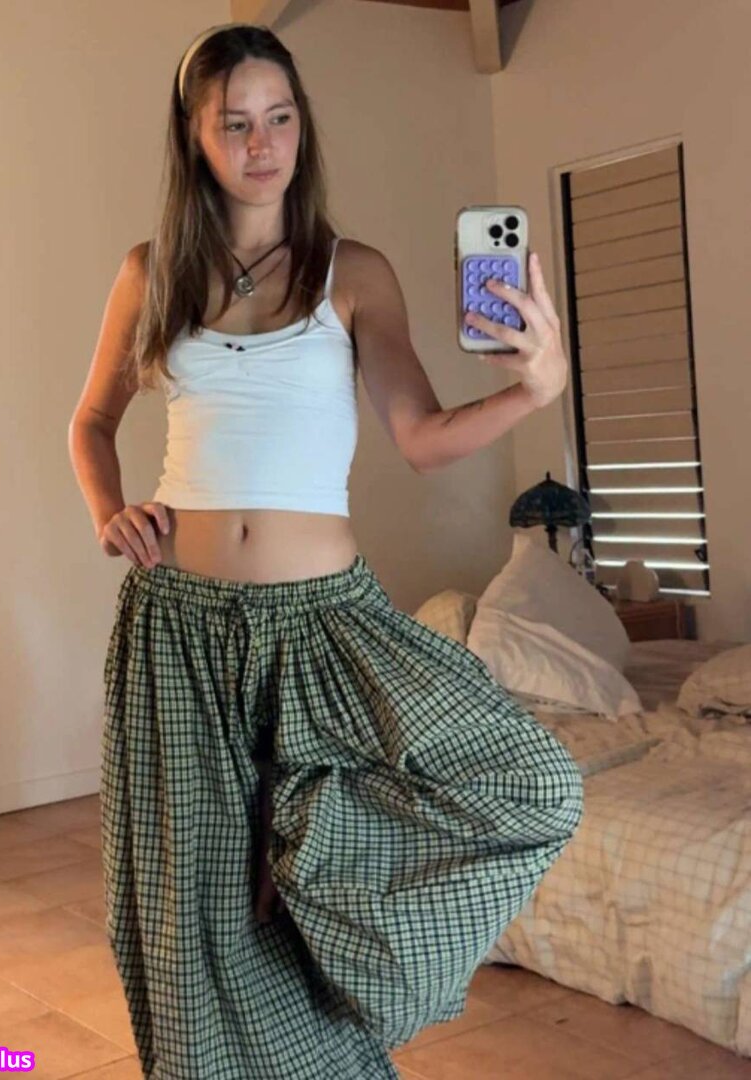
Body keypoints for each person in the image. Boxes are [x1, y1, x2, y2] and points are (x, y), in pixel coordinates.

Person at [68, 21, 585, 1080]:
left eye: (281, 118)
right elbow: (91, 421)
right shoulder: (150, 273)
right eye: (235, 124)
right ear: (193, 136)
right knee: (192, 918)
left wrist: (535, 391)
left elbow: (422, 437)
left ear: (302, 125)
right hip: (179, 627)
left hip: (324, 620)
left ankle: (312, 859)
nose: (262, 144)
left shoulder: (354, 273)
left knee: (534, 781)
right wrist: (108, 511)